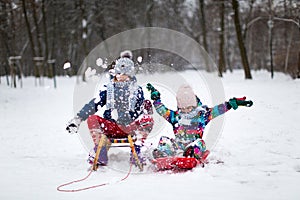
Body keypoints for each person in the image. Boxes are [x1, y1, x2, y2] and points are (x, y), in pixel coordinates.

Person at [66, 54, 154, 166]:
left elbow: (140, 110)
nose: (121, 77)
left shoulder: (137, 90)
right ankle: (100, 151)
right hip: (111, 127)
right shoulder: (108, 89)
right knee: (93, 119)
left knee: (148, 119)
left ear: (130, 75)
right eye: (118, 74)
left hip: (130, 127)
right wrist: (78, 118)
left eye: (124, 74)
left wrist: (146, 110)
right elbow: (94, 104)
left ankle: (137, 151)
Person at [146, 83, 252, 163]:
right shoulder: (175, 117)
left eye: (189, 108)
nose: (186, 111)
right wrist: (156, 99)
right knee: (164, 140)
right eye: (183, 108)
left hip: (194, 145)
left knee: (200, 143)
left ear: (194, 105)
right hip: (178, 147)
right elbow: (162, 110)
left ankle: (191, 153)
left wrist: (230, 104)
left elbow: (217, 110)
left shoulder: (202, 116)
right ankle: (162, 154)